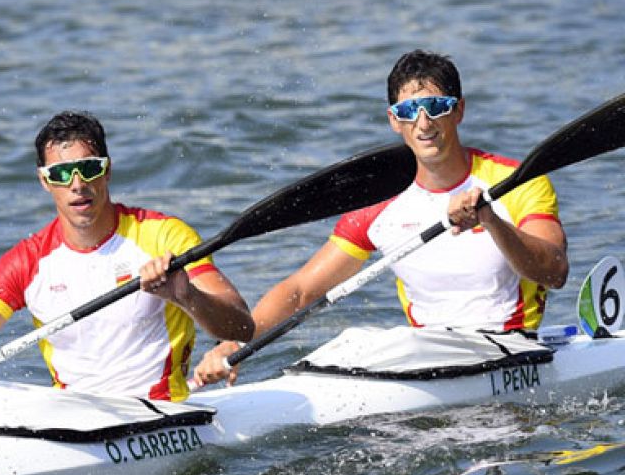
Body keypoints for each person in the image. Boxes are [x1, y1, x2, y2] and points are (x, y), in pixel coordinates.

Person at [0, 110, 253, 440]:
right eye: (60, 175)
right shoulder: (29, 261)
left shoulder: (163, 236)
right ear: (44, 182)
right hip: (73, 426)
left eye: (88, 169)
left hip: (162, 419)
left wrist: (186, 297)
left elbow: (242, 324)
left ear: (107, 171)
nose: (77, 185)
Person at [192, 49, 569, 387]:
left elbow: (554, 272)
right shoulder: (379, 202)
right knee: (354, 342)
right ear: (394, 120)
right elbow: (303, 290)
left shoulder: (516, 184)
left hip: (511, 350)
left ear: (459, 110)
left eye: (436, 107)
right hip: (429, 358)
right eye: (409, 112)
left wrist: (489, 219)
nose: (424, 124)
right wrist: (236, 343)